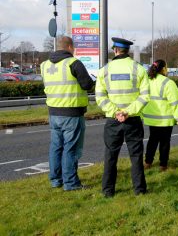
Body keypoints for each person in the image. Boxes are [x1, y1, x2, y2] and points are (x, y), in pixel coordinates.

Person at [95, 37, 150, 198]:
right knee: (136, 156)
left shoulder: (104, 70)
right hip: (132, 119)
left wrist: (115, 112)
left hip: (113, 120)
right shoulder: (138, 69)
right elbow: (145, 96)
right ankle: (139, 190)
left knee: (111, 155)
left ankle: (108, 190)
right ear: (128, 51)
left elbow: (100, 96)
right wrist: (128, 112)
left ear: (115, 50)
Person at [41, 36, 94, 191]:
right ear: (70, 47)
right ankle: (71, 183)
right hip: (72, 113)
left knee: (56, 147)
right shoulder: (74, 63)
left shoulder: (44, 65)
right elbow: (87, 84)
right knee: (70, 149)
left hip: (53, 112)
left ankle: (56, 180)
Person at [142, 59, 178, 171]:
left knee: (152, 140)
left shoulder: (147, 81)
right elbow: (175, 103)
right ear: (164, 69)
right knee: (165, 142)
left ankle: (147, 162)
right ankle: (163, 165)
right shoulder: (168, 83)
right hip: (165, 119)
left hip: (151, 118)